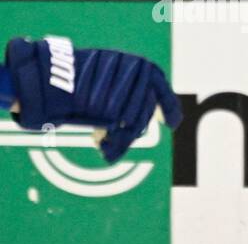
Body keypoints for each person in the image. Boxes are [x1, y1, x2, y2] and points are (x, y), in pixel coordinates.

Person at [0, 36, 182, 163]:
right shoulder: (136, 113)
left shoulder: (143, 73)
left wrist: (109, 139)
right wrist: (108, 140)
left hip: (50, 70)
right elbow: (112, 145)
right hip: (50, 90)